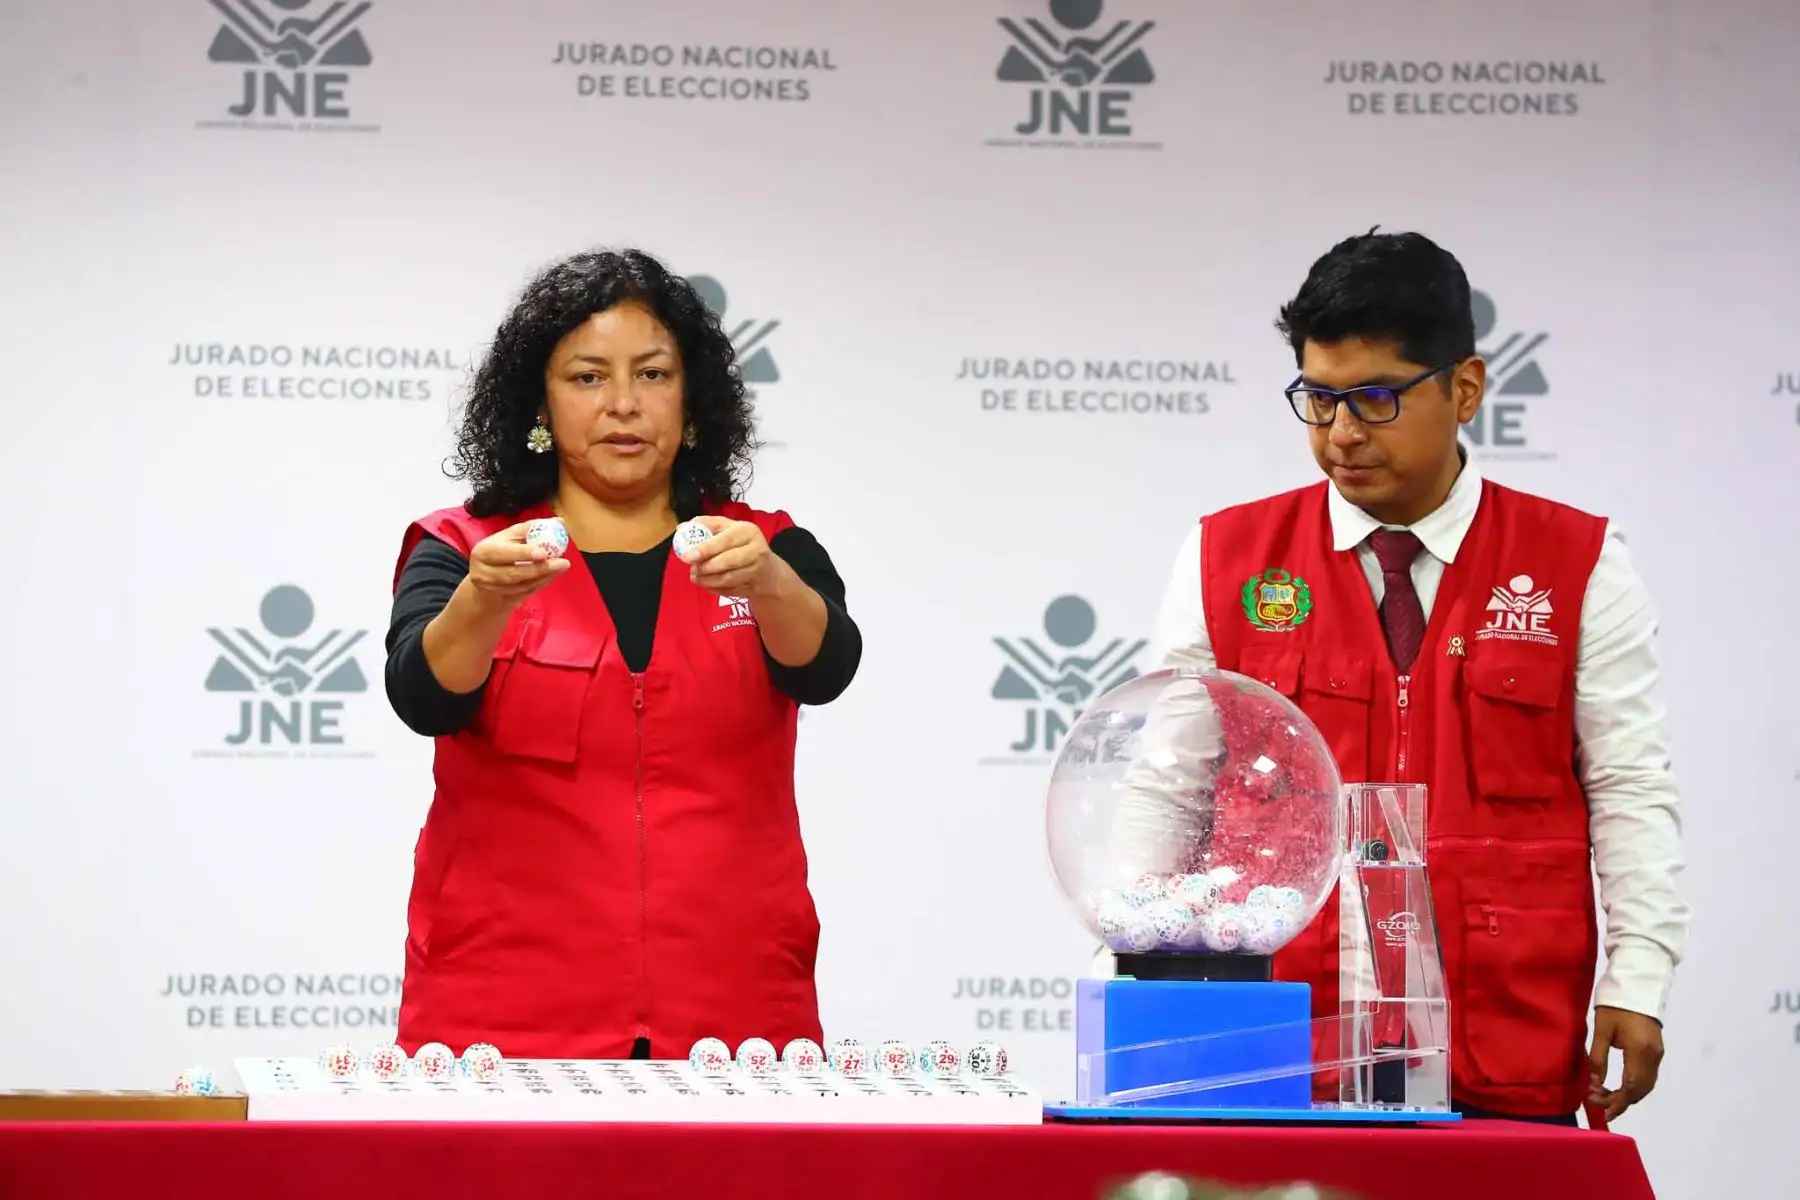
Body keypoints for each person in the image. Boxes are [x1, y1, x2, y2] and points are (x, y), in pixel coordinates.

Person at [1122, 230, 1689, 1124]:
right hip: (1274, 1040)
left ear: (1464, 389)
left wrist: (1641, 976)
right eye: (1317, 398)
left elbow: (1627, 786)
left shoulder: (1578, 562)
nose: (1341, 433)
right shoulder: (1226, 557)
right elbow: (1168, 786)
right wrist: (1125, 965)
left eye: (1376, 399)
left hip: (1497, 1038)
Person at [383, 248, 861, 1061]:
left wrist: (770, 582)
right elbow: (423, 694)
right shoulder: (462, 546)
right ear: (540, 400)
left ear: (692, 396)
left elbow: (828, 664)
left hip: (733, 1010)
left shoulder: (765, 545)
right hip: (503, 1012)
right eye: (587, 377)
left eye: (652, 374)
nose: (623, 405)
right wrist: (483, 599)